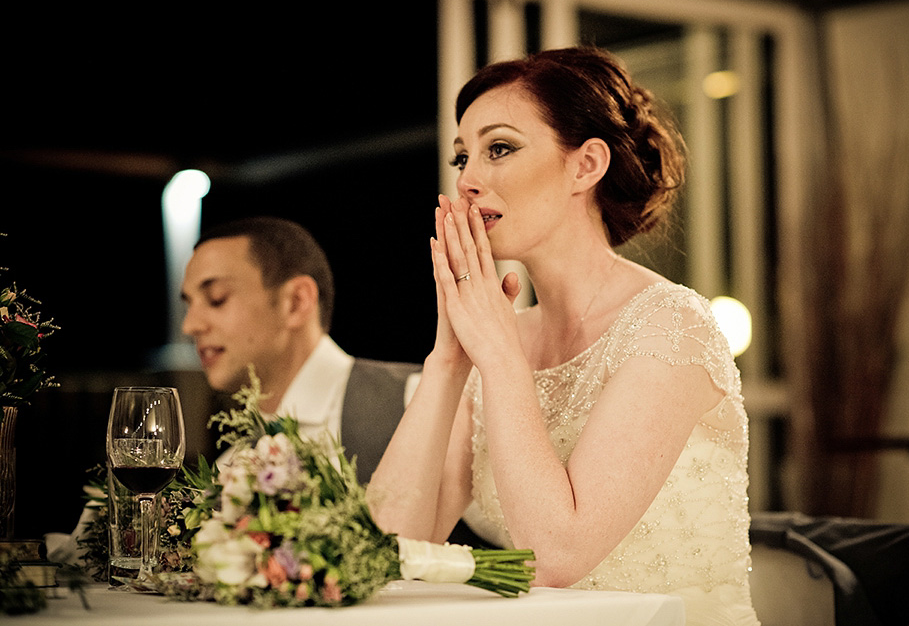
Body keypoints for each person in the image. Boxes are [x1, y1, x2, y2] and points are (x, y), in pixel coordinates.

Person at [368, 46, 760, 625]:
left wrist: (498, 358)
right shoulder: (498, 338)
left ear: (586, 165)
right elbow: (384, 543)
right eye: (462, 158)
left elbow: (559, 555)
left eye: (498, 148)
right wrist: (449, 358)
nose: (469, 180)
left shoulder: (670, 326)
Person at [179, 216, 420, 484]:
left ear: (296, 302)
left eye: (217, 299)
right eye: (189, 304)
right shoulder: (227, 473)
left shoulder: (414, 402)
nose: (189, 325)